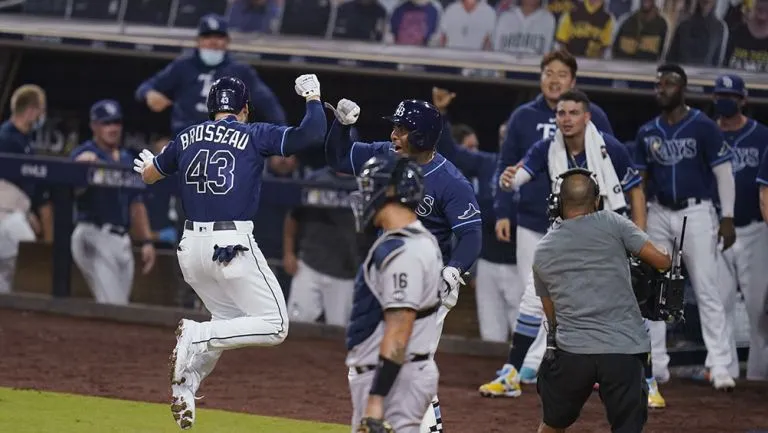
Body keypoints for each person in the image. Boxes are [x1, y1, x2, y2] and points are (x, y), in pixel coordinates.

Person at [132, 74, 327, 429]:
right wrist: (313, 96)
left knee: (226, 321)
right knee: (276, 325)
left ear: (212, 108)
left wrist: (149, 165)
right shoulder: (252, 133)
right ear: (245, 108)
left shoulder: (187, 135)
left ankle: (186, 387)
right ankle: (196, 334)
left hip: (190, 249)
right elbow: (311, 134)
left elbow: (149, 175)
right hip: (230, 245)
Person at [495, 89, 665, 406]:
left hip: (607, 235)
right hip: (564, 236)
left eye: (573, 113)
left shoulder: (610, 147)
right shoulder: (546, 147)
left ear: (587, 117)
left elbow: (635, 192)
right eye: (561, 113)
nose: (567, 119)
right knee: (532, 297)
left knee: (630, 307)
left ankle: (649, 381)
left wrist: (639, 238)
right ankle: (511, 373)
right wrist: (509, 180)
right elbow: (520, 176)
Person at [324, 98, 481, 433]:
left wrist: (454, 269)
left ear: (422, 136)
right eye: (394, 127)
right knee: (393, 363)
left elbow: (471, 234)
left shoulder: (450, 181)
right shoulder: (385, 157)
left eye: (402, 129)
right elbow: (338, 157)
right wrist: (342, 125)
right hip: (389, 267)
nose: (394, 135)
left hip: (425, 277)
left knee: (403, 362)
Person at [482, 50, 614, 397]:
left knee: (583, 297)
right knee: (533, 293)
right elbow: (508, 165)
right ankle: (530, 363)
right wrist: (503, 209)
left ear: (574, 80)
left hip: (584, 227)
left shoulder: (595, 117)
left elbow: (614, 171)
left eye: (561, 74)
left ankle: (577, 365)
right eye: (548, 73)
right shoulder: (524, 118)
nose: (554, 80)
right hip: (532, 219)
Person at [533, 168, 672, 433]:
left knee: (552, 425)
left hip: (572, 353)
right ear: (597, 200)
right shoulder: (612, 222)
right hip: (623, 350)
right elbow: (662, 261)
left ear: (558, 203)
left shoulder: (543, 249)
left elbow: (551, 315)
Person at [634, 63, 737, 390]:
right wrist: (639, 221)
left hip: (696, 211)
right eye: (658, 84)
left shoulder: (703, 125)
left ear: (683, 88)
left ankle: (720, 365)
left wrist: (728, 217)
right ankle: (657, 364)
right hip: (659, 211)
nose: (661, 89)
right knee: (655, 290)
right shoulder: (647, 131)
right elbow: (640, 181)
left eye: (669, 83)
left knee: (707, 288)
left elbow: (724, 173)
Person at [346, 153, 442, 433]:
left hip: (395, 380)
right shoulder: (413, 240)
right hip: (398, 374)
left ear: (390, 191)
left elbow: (400, 329)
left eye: (370, 187)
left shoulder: (405, 252)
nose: (365, 195)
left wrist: (376, 400)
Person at [431, 87, 520, 343]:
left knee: (525, 336)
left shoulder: (538, 169)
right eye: (502, 137)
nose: (506, 141)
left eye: (511, 137)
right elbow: (450, 151)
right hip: (489, 261)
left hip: (521, 263)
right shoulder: (488, 163)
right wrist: (441, 113)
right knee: (490, 335)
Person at [135, 14, 285, 136]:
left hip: (226, 142)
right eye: (207, 36)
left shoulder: (241, 71)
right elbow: (145, 87)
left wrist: (282, 136)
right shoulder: (182, 66)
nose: (213, 42)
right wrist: (149, 94)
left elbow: (268, 103)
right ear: (198, 41)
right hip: (186, 139)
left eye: (219, 37)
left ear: (227, 41)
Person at [70, 100, 156, 305]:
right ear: (94, 126)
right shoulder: (85, 154)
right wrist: (80, 171)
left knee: (119, 308)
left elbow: (136, 203)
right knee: (114, 307)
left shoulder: (127, 159)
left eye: (116, 122)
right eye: (106, 123)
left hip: (122, 240)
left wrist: (146, 241)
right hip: (93, 232)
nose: (113, 128)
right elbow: (70, 190)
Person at [712, 74, 768, 381]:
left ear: (743, 100)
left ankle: (759, 376)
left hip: (755, 229)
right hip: (718, 230)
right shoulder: (708, 134)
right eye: (720, 96)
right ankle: (726, 373)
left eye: (731, 97)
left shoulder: (762, 135)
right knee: (720, 304)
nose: (725, 101)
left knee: (758, 308)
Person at [283, 167, 359, 327]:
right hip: (309, 265)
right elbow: (293, 217)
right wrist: (289, 253)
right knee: (296, 325)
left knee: (340, 330)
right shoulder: (316, 179)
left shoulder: (363, 185)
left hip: (346, 272)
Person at [0, 84, 48, 292]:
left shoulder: (24, 140)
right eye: (40, 110)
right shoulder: (5, 138)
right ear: (30, 110)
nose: (41, 116)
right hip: (4, 212)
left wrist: (28, 212)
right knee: (29, 252)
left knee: (8, 272)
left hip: (15, 212)